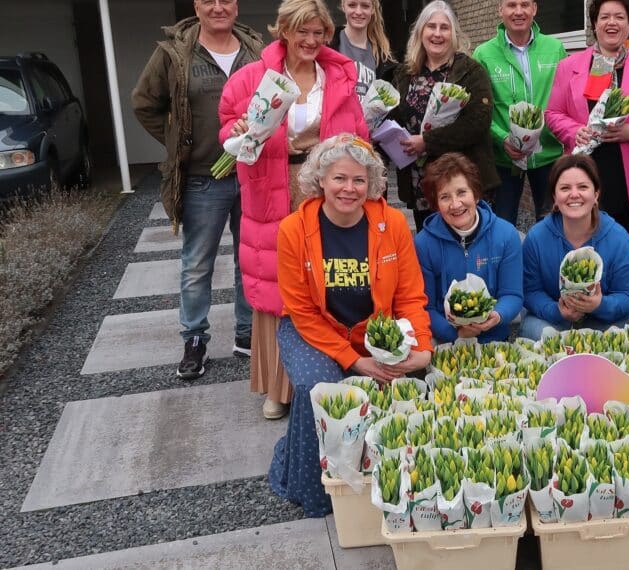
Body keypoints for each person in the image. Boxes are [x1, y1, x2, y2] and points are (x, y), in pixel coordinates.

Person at [269, 134, 432, 518]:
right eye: (339, 178)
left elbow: (409, 296)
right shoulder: (293, 230)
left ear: (373, 184)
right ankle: (315, 493)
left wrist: (422, 346)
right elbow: (303, 311)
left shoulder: (391, 223)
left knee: (414, 379)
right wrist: (355, 361)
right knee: (318, 387)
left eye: (360, 180)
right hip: (310, 329)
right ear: (320, 180)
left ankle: (393, 484)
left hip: (373, 329)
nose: (349, 188)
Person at [219, 0, 368, 419]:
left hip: (326, 189)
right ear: (283, 30)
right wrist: (239, 130)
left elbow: (358, 133)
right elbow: (229, 121)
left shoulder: (339, 75)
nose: (311, 40)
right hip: (274, 185)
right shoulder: (253, 77)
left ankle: (329, 372)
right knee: (278, 283)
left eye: (319, 32)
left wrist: (363, 183)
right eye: (303, 31)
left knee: (326, 278)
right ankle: (278, 386)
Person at [133, 0, 262, 381]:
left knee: (249, 258)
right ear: (196, 5)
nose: (218, 7)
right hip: (203, 177)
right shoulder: (174, 51)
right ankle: (194, 339)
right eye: (209, 0)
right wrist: (177, 142)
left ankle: (247, 332)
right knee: (197, 264)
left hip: (250, 174)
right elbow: (144, 104)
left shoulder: (255, 48)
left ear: (237, 6)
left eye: (226, 0)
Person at [545, 0, 629, 253]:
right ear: (595, 24)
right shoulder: (570, 66)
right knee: (585, 246)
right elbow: (553, 113)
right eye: (604, 17)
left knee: (627, 245)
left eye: (620, 17)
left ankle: (624, 292)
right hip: (585, 172)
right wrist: (573, 131)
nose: (612, 23)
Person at [390, 0, 499, 231]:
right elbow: (395, 117)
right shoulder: (404, 73)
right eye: (431, 27)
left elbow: (477, 122)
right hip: (421, 182)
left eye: (444, 27)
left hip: (462, 181)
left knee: (468, 241)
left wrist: (426, 142)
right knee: (430, 245)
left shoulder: (471, 71)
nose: (437, 34)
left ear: (454, 34)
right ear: (420, 32)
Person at [520, 154, 629, 340]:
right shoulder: (537, 237)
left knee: (618, 333)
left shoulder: (619, 238)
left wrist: (600, 305)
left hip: (602, 320)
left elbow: (628, 295)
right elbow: (530, 291)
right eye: (565, 188)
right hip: (555, 320)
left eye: (583, 187)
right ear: (555, 196)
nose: (574, 194)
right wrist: (557, 311)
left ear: (596, 194)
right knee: (534, 330)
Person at [472, 0, 567, 226]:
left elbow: (566, 99)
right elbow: (478, 108)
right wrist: (502, 138)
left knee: (554, 223)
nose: (518, 11)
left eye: (524, 4)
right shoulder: (483, 54)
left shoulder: (555, 49)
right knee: (501, 225)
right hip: (504, 158)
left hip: (549, 155)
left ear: (534, 9)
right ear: (500, 10)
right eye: (511, 5)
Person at [414, 153, 523, 343]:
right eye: (445, 197)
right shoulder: (424, 244)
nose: (455, 204)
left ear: (476, 193)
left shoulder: (506, 235)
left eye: (462, 192)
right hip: (445, 337)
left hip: (494, 335)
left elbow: (512, 294)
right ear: (436, 204)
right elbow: (426, 306)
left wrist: (496, 316)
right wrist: (456, 334)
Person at [328, 0, 397, 89]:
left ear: (372, 9)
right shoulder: (327, 44)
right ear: (343, 6)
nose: (358, 12)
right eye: (352, 5)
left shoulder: (384, 58)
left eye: (365, 6)